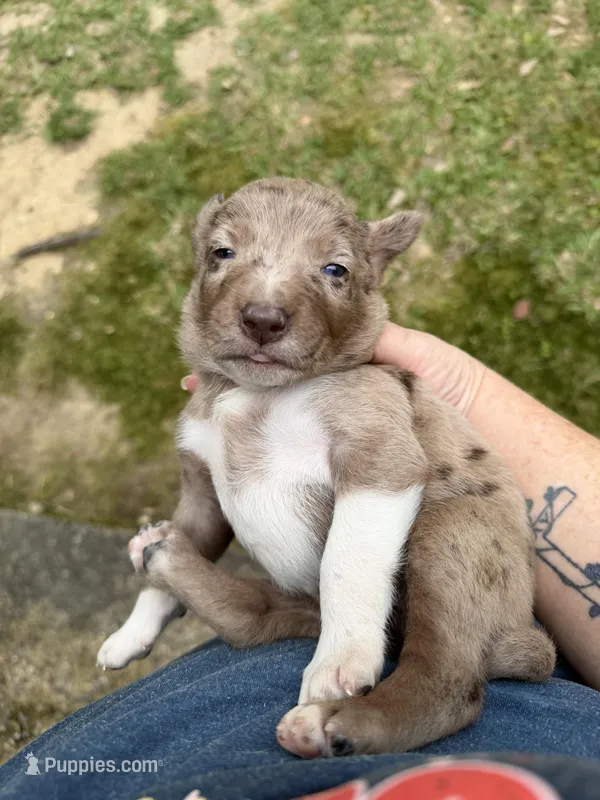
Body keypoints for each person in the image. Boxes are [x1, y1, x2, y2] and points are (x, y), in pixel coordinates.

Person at [2, 323, 599, 800]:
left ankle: (429, 695)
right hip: (317, 604)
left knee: (445, 541)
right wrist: (149, 610)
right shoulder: (210, 405)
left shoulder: (356, 391)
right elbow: (202, 508)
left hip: (458, 578)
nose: (267, 302)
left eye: (332, 269)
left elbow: (384, 485)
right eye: (226, 253)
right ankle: (173, 569)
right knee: (262, 611)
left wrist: (349, 637)